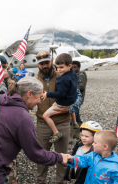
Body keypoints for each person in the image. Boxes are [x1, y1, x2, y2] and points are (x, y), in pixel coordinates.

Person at [0, 77, 69, 184]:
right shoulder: (22, 117)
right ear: (29, 94)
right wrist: (59, 157)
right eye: (39, 97)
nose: (40, 102)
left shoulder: (0, 99)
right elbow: (35, 153)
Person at [35, 51, 81, 184]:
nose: (44, 66)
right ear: (38, 64)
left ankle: (60, 181)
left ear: (52, 61)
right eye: (41, 63)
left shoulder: (64, 75)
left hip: (62, 123)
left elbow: (77, 96)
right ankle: (40, 181)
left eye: (47, 63)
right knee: (41, 156)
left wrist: (70, 109)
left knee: (63, 157)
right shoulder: (35, 80)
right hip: (43, 123)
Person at [42, 53, 78, 143]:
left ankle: (56, 132)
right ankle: (75, 122)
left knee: (45, 116)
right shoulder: (74, 75)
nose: (59, 70)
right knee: (71, 106)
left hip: (62, 103)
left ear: (70, 65)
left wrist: (47, 94)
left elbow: (60, 94)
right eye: (57, 67)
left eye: (61, 67)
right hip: (71, 101)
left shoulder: (62, 79)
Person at [70, 61, 87, 141]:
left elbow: (81, 86)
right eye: (72, 67)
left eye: (75, 67)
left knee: (72, 116)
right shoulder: (73, 75)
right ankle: (76, 134)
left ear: (79, 68)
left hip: (77, 99)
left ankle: (70, 137)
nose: (73, 69)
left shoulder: (81, 75)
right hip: (74, 98)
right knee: (77, 116)